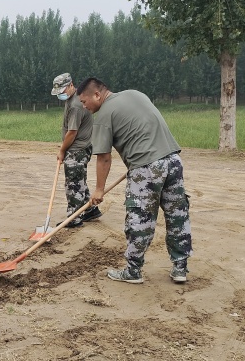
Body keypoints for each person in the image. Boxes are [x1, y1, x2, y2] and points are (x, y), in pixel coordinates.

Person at [76, 77, 193, 284]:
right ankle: (180, 267)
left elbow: (103, 157)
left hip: (146, 167)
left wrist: (99, 190)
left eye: (84, 102)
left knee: (140, 219)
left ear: (97, 95)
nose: (85, 108)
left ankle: (133, 271)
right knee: (177, 215)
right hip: (173, 159)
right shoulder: (135, 93)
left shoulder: (103, 115)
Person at [50, 73, 102, 228]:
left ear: (71, 85)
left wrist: (62, 150)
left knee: (73, 184)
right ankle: (90, 210)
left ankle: (74, 217)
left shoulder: (76, 105)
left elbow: (72, 132)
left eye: (63, 90)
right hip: (81, 147)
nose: (61, 94)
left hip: (77, 149)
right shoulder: (75, 99)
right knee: (79, 181)